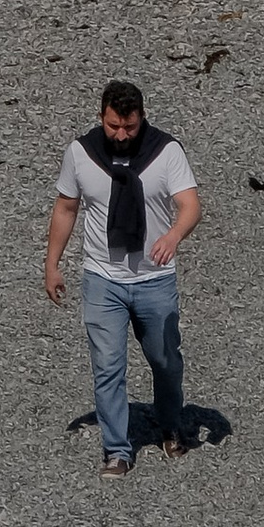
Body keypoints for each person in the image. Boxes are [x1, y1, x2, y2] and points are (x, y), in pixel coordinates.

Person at [44, 82, 200, 476]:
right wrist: (52, 263)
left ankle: (170, 426)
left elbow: (190, 205)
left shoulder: (166, 152)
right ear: (102, 118)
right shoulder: (81, 154)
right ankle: (117, 449)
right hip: (102, 279)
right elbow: (66, 208)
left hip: (154, 279)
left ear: (141, 118)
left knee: (165, 361)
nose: (121, 135)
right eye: (114, 126)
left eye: (129, 127)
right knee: (108, 365)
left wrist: (173, 235)